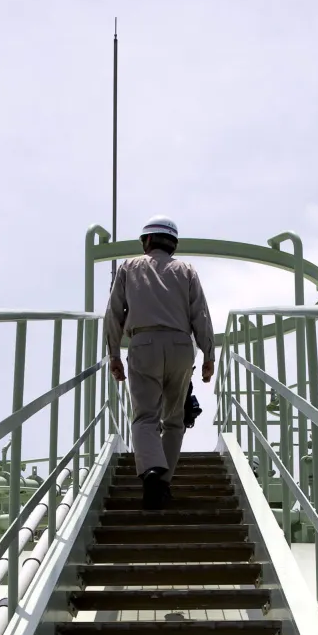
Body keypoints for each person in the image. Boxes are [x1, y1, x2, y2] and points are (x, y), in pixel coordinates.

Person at [104, 215, 215, 510]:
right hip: (181, 346)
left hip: (144, 344)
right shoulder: (187, 271)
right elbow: (200, 314)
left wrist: (114, 355)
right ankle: (163, 482)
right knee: (174, 419)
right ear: (173, 245)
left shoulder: (128, 268)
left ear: (147, 241)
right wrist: (208, 355)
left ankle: (151, 473)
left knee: (145, 418)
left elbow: (114, 314)